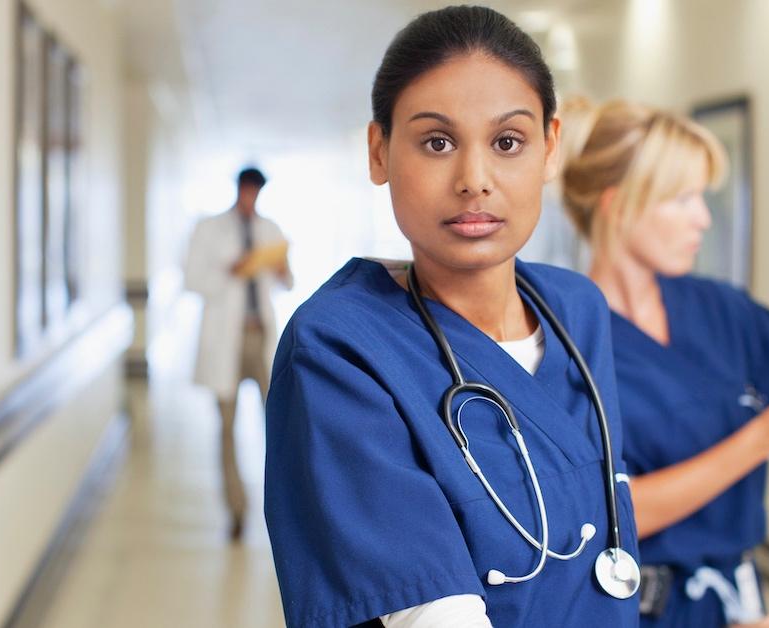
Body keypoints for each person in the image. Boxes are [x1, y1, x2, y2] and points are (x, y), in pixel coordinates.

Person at [264, 7, 641, 628]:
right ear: (380, 151)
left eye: (507, 142)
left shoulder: (578, 310)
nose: (474, 180)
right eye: (437, 142)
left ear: (550, 148)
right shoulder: (339, 348)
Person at [559, 99, 769, 627]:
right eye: (683, 200)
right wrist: (762, 438)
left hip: (735, 605)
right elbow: (608, 514)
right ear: (619, 204)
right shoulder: (566, 336)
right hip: (633, 609)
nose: (703, 218)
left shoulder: (719, 309)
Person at [183, 166, 291, 542]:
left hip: (259, 337)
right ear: (238, 190)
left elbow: (287, 282)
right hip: (225, 340)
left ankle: (282, 505)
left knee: (276, 424)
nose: (251, 198)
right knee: (226, 428)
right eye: (247, 191)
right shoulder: (209, 229)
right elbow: (192, 280)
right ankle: (236, 508)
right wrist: (230, 270)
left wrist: (279, 267)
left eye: (256, 192)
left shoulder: (270, 230)